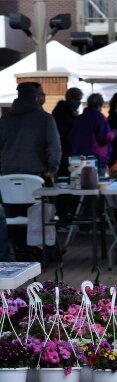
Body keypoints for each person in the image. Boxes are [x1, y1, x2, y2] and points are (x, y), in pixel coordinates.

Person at [0, 82, 61, 260]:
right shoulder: (45, 119)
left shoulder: (4, 119)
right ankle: (46, 252)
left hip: (6, 179)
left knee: (13, 219)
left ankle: (21, 253)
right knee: (45, 214)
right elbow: (54, 147)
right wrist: (52, 169)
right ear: (35, 97)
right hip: (37, 179)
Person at [70, 93, 117, 176]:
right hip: (95, 159)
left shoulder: (79, 118)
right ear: (99, 105)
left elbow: (71, 137)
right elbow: (104, 137)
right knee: (96, 185)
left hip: (77, 158)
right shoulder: (100, 118)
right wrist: (114, 133)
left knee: (78, 183)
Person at [51, 87, 83, 178]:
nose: (79, 102)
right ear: (70, 99)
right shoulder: (62, 111)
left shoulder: (70, 112)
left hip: (69, 151)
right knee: (66, 176)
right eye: (77, 99)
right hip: (64, 151)